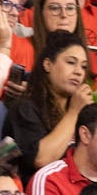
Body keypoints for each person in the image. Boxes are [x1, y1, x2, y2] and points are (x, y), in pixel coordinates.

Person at [9, 31, 93, 178]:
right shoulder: (25, 108)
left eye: (84, 67)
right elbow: (42, 159)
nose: (79, 72)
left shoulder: (80, 110)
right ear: (47, 64)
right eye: (71, 62)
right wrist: (74, 112)